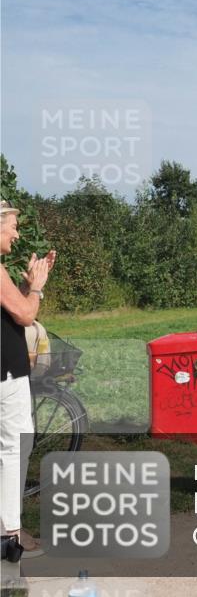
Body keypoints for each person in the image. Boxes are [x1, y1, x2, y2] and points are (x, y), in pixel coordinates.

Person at [0, 200, 56, 559]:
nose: (17, 233)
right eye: (11, 225)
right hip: (6, 376)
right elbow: (24, 314)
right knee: (14, 448)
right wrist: (35, 288)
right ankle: (10, 534)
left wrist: (24, 288)